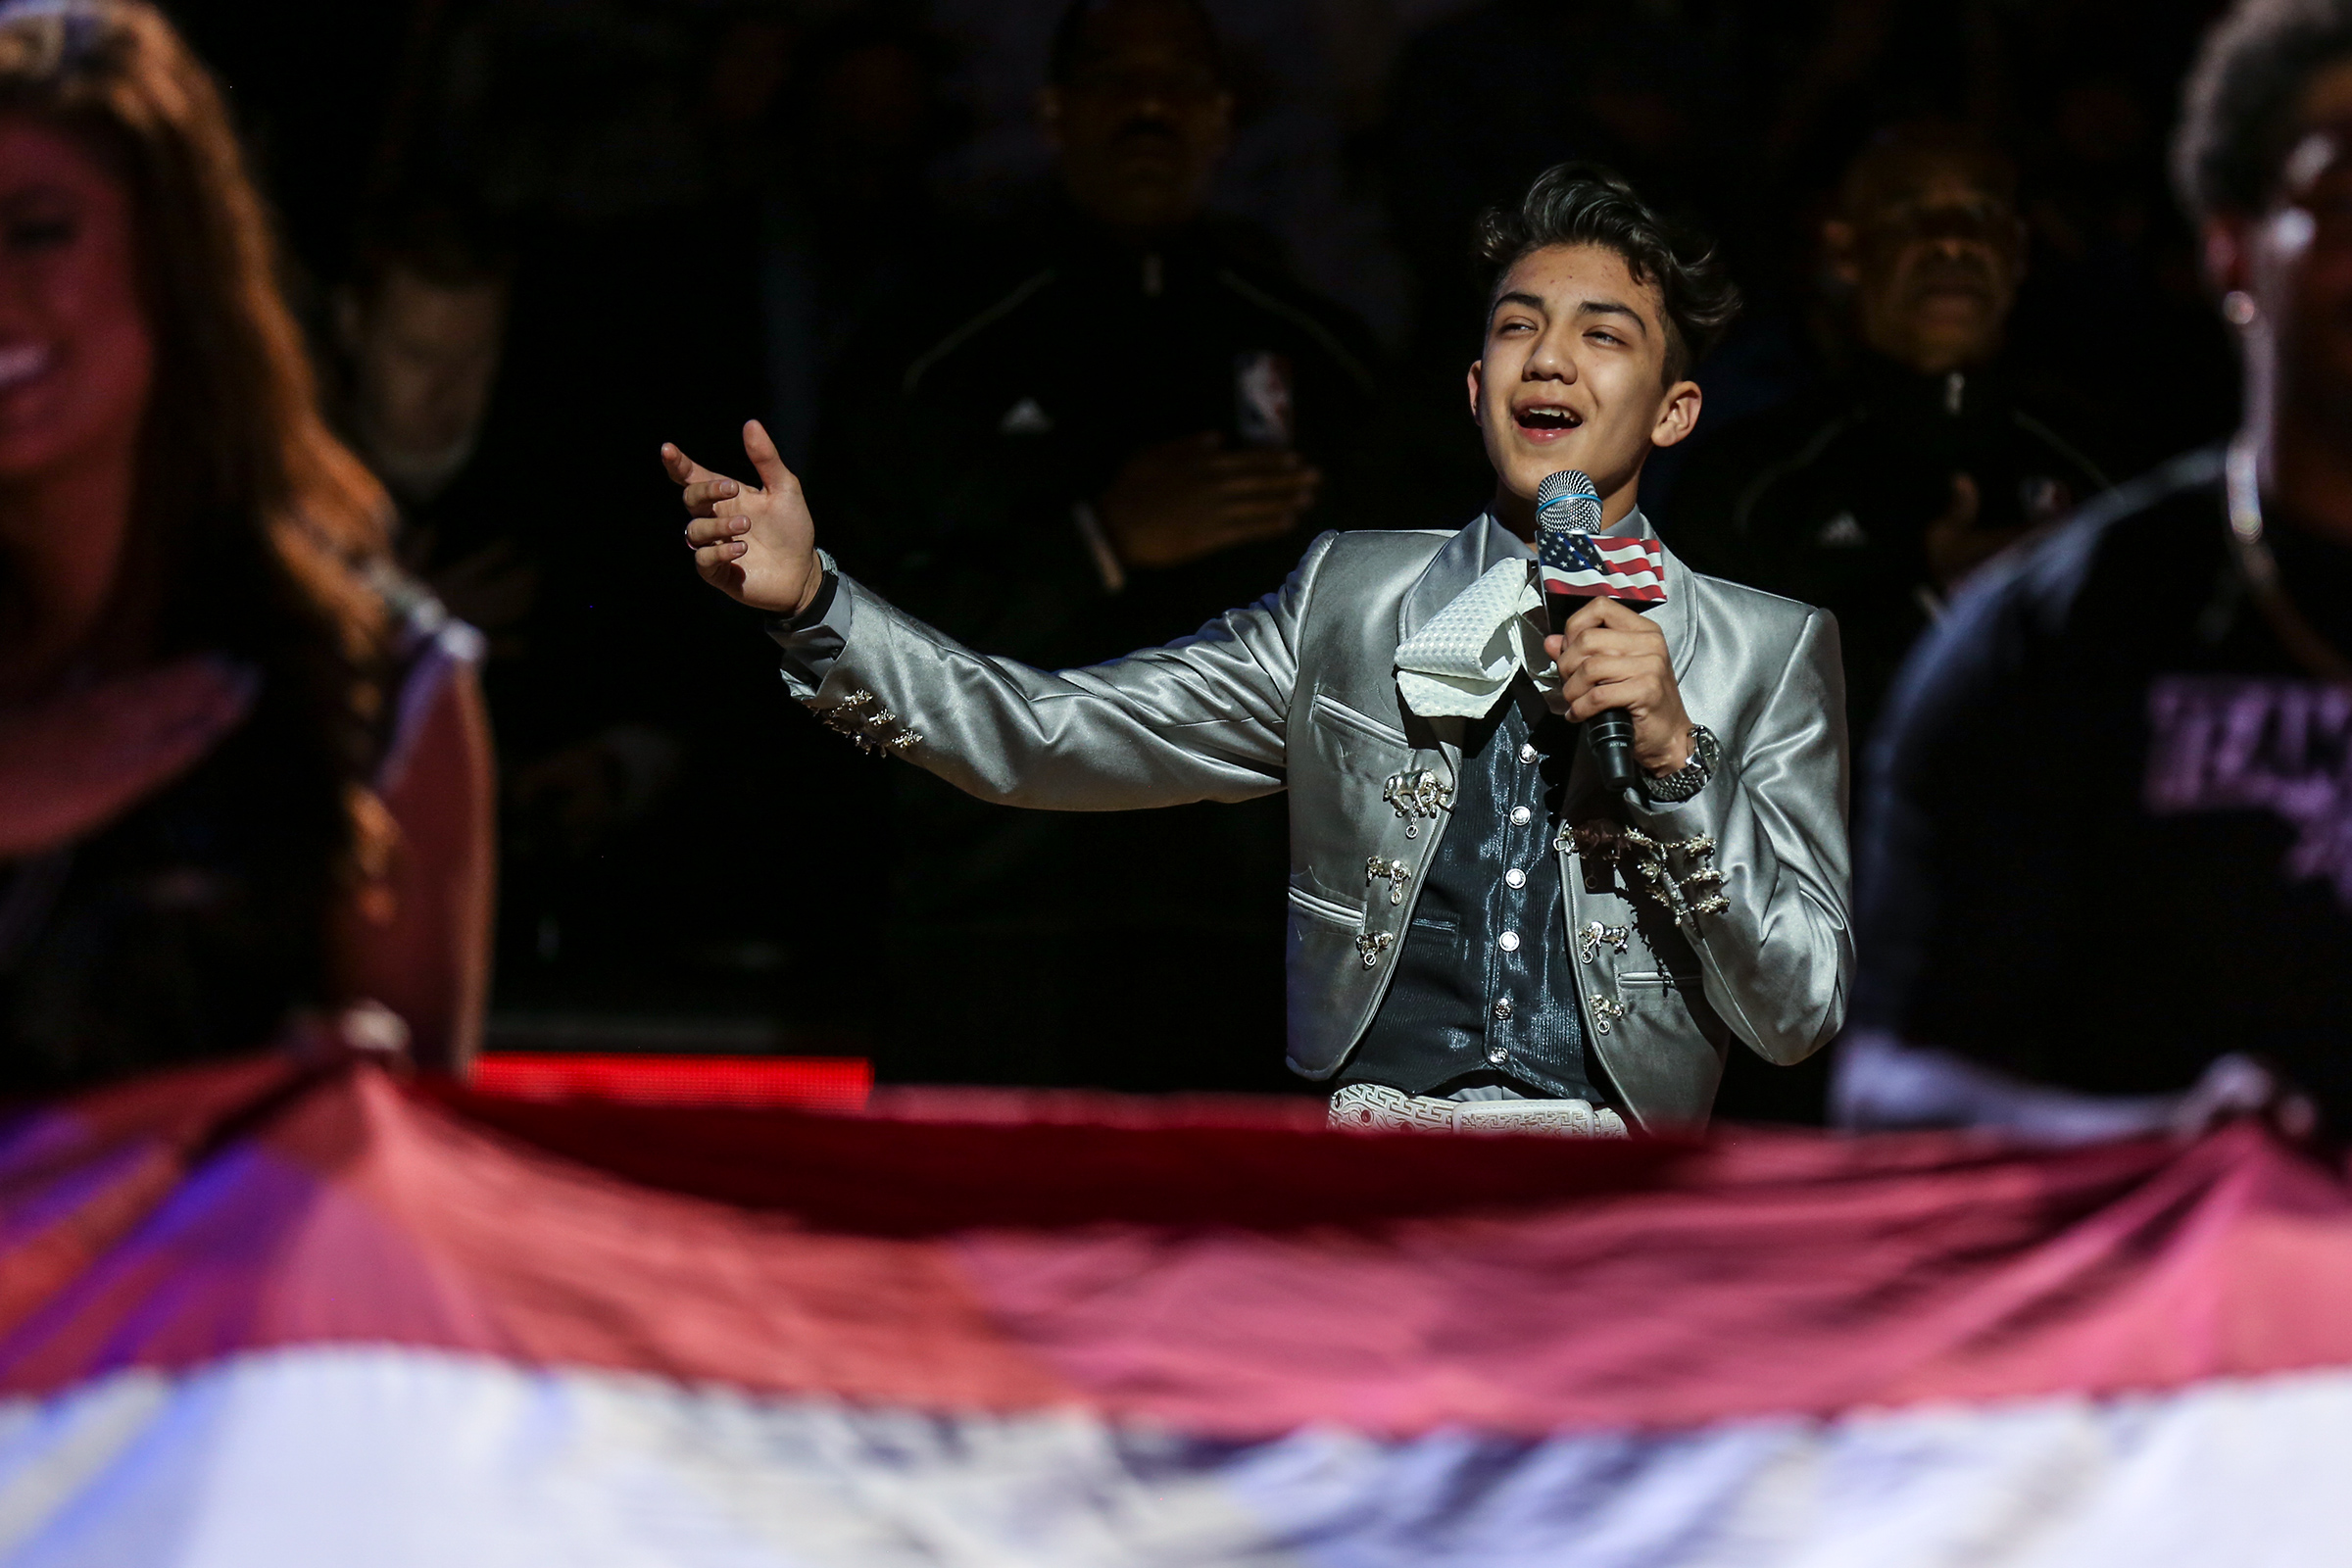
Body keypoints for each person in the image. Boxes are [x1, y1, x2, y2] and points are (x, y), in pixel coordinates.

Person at [670, 165, 1851, 1135]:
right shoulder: (1353, 600)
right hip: (1369, 1177)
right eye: (1517, 327)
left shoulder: (1768, 649)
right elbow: (1049, 734)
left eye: (1603, 335)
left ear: (1674, 409)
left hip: (1616, 1207)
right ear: (1475, 385)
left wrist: (1677, 760)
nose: (1549, 359)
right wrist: (817, 601)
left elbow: (1798, 1010)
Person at [804, 0, 1396, 1092]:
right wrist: (1099, 543)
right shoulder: (932, 355)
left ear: (1223, 118)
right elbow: (843, 645)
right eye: (1117, 81)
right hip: (997, 930)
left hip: (1252, 942)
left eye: (1178, 85)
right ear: (1054, 113)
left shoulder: (1325, 362)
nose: (1149, 109)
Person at [1838, 0, 2352, 1139]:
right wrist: (2160, 1143)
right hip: (2183, 1252)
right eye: (2345, 200)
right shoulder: (2060, 633)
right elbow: (1888, 1079)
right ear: (2233, 247)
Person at [0, 0, 492, 1086]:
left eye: (38, 232)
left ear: (178, 261)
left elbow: (416, 1158)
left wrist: (335, 1113)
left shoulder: (378, 688)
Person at [1669, 122, 2113, 754]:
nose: (1952, 241)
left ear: (2017, 250)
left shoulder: (2108, 466)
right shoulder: (1748, 483)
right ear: (1846, 252)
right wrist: (1930, 603)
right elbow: (1697, 734)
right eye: (1909, 214)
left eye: (1981, 212)